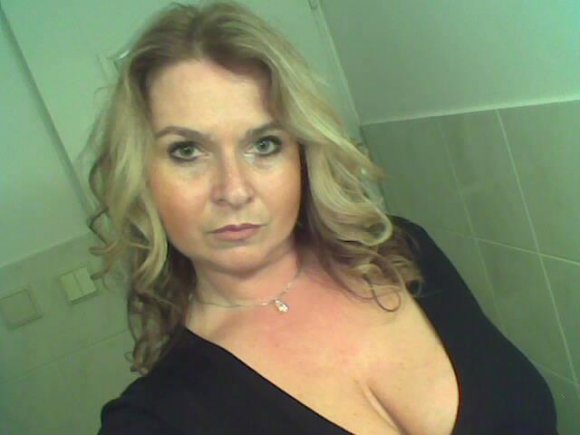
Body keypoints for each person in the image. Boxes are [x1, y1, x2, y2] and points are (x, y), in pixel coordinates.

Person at [91, 2, 556, 434]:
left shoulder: (402, 250)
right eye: (187, 151)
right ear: (141, 176)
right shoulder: (156, 417)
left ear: (303, 154)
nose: (233, 190)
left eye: (264, 144)